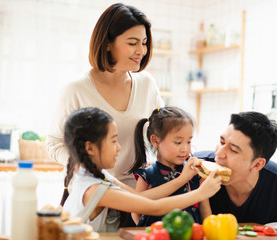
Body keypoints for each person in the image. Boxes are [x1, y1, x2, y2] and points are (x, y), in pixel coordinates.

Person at [46, 3, 164, 188]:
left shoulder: (147, 84)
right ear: (107, 43)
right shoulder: (75, 90)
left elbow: (162, 134)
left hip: (138, 195)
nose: (141, 50)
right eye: (132, 43)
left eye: (144, 42)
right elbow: (54, 143)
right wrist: (84, 166)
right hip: (93, 194)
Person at [61, 107, 222, 232]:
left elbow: (141, 197)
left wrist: (184, 180)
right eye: (113, 141)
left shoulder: (99, 175)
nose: (118, 148)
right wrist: (200, 193)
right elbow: (153, 207)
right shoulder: (95, 190)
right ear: (90, 148)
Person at [194, 111, 277, 224]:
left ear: (257, 165)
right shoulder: (195, 168)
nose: (219, 154)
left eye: (233, 150)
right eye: (222, 142)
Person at [129, 107, 210, 226]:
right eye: (178, 142)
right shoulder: (146, 175)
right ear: (155, 141)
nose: (185, 149)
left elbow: (205, 210)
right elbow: (135, 211)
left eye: (189, 142)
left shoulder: (196, 172)